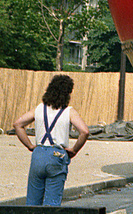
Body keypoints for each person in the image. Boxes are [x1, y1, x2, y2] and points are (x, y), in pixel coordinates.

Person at [13, 74, 90, 206]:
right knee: (52, 204)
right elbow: (84, 131)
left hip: (38, 155)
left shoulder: (39, 108)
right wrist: (74, 150)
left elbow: (17, 124)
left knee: (32, 202)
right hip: (57, 155)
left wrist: (30, 146)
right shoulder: (69, 111)